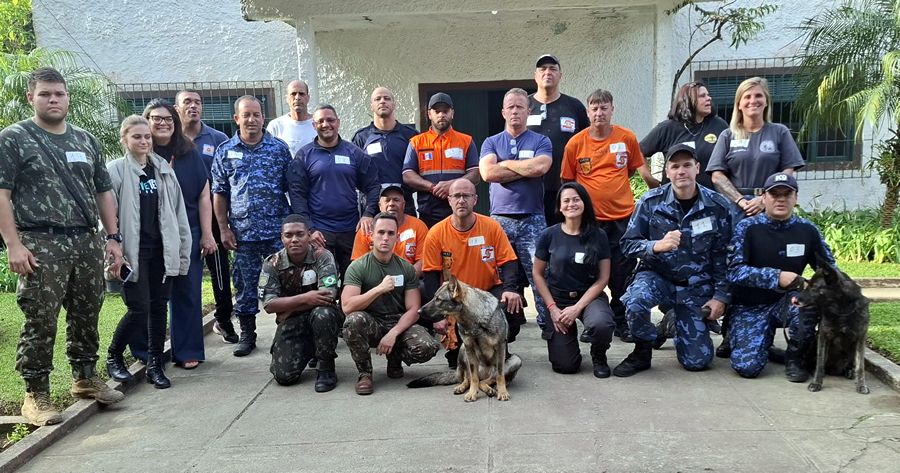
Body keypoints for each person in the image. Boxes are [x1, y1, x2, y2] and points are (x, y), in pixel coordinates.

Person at [0, 67, 125, 425]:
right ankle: (35, 394)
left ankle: (85, 377)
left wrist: (112, 238)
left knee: (88, 311)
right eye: (45, 94)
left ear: (67, 97)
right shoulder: (14, 138)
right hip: (40, 240)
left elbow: (103, 191)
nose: (53, 100)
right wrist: (13, 244)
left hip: (86, 239)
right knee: (40, 317)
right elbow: (2, 194)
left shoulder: (85, 140)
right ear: (31, 98)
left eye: (59, 94)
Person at [614, 144, 734, 377]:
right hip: (658, 276)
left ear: (697, 168)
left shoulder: (717, 206)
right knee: (636, 301)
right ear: (667, 172)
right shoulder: (650, 202)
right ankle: (642, 351)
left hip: (695, 284)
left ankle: (675, 320)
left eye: (687, 165)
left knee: (697, 361)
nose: (681, 171)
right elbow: (627, 245)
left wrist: (721, 296)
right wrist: (654, 246)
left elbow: (724, 256)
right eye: (675, 166)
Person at [707, 76, 805, 358]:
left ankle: (766, 330)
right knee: (736, 267)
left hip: (770, 207)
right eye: (747, 97)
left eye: (758, 96)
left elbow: (790, 170)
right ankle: (730, 333)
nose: (753, 102)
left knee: (768, 264)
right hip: (736, 210)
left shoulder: (779, 132)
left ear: (766, 101)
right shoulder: (728, 135)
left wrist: (764, 200)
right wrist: (740, 199)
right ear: (739, 103)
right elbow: (716, 174)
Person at [123, 99, 215, 370]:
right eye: (156, 118)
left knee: (187, 292)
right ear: (146, 121)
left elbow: (203, 194)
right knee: (148, 296)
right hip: (148, 237)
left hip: (186, 233)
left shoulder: (189, 153)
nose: (162, 123)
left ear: (175, 124)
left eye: (168, 119)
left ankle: (187, 349)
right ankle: (144, 351)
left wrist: (207, 234)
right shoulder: (137, 158)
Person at [106, 115, 192, 388]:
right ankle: (114, 356)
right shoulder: (116, 171)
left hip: (161, 250)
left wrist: (181, 248)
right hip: (133, 251)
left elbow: (178, 211)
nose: (143, 141)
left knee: (158, 308)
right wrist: (114, 249)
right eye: (136, 137)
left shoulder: (163, 169)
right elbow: (106, 214)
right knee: (139, 308)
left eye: (146, 137)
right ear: (124, 140)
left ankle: (155, 364)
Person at [561, 89, 650, 342]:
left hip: (623, 220)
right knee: (588, 272)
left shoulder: (627, 138)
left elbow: (634, 173)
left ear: (612, 109)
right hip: (590, 223)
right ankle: (593, 322)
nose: (599, 113)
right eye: (594, 108)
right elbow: (568, 183)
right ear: (587, 112)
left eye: (604, 108)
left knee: (621, 274)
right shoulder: (575, 143)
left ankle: (622, 322)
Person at [727, 172, 833, 383]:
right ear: (764, 197)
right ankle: (758, 343)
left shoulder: (807, 230)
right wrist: (776, 277)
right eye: (775, 194)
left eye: (787, 194)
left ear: (796, 198)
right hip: (750, 305)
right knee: (747, 368)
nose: (781, 199)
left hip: (788, 301)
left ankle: (796, 358)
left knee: (806, 306)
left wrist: (813, 290)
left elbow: (830, 271)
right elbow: (734, 271)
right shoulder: (747, 228)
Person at [212, 95, 293, 357]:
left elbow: (290, 188)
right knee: (245, 286)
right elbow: (220, 192)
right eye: (246, 114)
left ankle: (287, 332)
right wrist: (223, 228)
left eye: (256, 114)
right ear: (236, 118)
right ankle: (248, 334)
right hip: (242, 234)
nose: (252, 119)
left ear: (263, 118)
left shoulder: (278, 149)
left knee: (285, 283)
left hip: (276, 232)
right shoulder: (225, 151)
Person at [422, 179, 524, 368]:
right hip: (456, 298)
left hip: (487, 292)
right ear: (449, 200)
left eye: (466, 196)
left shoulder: (491, 226)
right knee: (457, 362)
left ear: (475, 200)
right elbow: (430, 275)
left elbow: (509, 260)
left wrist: (510, 289)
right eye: (456, 196)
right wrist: (438, 317)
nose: (461, 200)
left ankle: (498, 346)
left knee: (511, 309)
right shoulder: (436, 233)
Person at [479, 87, 553, 333]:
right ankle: (502, 326)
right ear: (503, 112)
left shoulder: (541, 141)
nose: (515, 111)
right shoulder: (491, 142)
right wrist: (523, 167)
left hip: (533, 218)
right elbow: (488, 173)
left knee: (539, 275)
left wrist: (506, 164)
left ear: (528, 111)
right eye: (510, 107)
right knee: (497, 275)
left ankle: (548, 325)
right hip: (499, 220)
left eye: (520, 107)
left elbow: (541, 168)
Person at [341, 212, 440, 395]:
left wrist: (393, 333)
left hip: (397, 321)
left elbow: (413, 310)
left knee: (428, 347)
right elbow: (347, 306)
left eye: (390, 233)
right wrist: (378, 289)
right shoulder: (358, 267)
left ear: (397, 236)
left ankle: (394, 358)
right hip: (372, 321)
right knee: (353, 321)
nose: (385, 238)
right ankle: (365, 374)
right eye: (380, 232)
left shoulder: (406, 268)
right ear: (371, 235)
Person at [288, 104, 380, 281]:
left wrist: (368, 214)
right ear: (314, 126)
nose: (325, 124)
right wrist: (309, 229)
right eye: (320, 121)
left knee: (353, 280)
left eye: (330, 120)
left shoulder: (354, 153)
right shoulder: (304, 155)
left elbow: (373, 185)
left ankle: (349, 309)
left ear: (338, 123)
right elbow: (297, 195)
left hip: (351, 230)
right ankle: (324, 310)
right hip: (320, 233)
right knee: (322, 282)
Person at [532, 182, 615, 377]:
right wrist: (552, 308)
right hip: (558, 300)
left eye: (576, 199)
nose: (571, 204)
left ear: (584, 202)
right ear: (560, 207)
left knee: (601, 323)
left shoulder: (598, 235)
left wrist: (577, 307)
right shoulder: (548, 235)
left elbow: (603, 277)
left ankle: (599, 354)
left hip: (589, 297)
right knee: (566, 366)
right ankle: (567, 348)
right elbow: (537, 273)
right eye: (566, 201)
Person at [176, 89, 238, 344]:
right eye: (187, 102)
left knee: (219, 269)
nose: (193, 107)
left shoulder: (217, 137)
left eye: (198, 102)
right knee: (182, 271)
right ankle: (185, 329)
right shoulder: (170, 137)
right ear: (177, 108)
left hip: (211, 214)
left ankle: (223, 319)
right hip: (178, 215)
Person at [258, 215, 343, 391]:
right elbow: (269, 305)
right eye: (289, 235)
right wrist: (306, 298)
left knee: (323, 314)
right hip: (292, 321)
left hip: (319, 316)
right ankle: (310, 349)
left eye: (300, 234)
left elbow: (328, 295)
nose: (294, 239)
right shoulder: (272, 263)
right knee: (284, 376)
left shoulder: (322, 256)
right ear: (282, 238)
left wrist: (288, 309)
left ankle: (326, 368)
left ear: (308, 235)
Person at [526, 54, 589, 227]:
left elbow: (588, 143)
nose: (547, 72)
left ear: (560, 75)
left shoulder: (574, 106)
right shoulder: (523, 106)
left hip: (566, 189)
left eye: (553, 69)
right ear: (535, 75)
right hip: (530, 189)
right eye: (542, 69)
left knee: (565, 238)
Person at [402, 93, 480, 227]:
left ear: (452, 113)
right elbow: (407, 175)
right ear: (429, 114)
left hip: (460, 209)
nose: (441, 115)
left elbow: (476, 175)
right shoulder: (416, 142)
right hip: (428, 211)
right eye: (437, 111)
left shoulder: (466, 141)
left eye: (445, 111)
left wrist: (452, 186)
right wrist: (432, 187)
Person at [640, 81, 729, 189]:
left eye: (708, 95)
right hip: (674, 200)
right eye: (702, 96)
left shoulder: (719, 125)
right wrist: (650, 180)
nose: (709, 98)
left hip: (710, 199)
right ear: (688, 101)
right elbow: (638, 151)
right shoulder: (667, 128)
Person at [352, 87, 418, 215]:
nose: (382, 101)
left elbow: (420, 170)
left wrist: (402, 191)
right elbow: (354, 174)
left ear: (394, 104)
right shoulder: (361, 137)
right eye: (378, 99)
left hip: (403, 204)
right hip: (371, 207)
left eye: (387, 98)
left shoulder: (411, 135)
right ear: (372, 106)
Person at [350, 185, 428, 277]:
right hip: (373, 280)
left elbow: (423, 261)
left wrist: (403, 279)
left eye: (396, 200)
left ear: (404, 204)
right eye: (387, 200)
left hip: (409, 278)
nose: (391, 204)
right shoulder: (367, 228)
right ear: (380, 206)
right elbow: (357, 263)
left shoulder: (418, 226)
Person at [266, 80, 317, 157]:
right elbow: (268, 154)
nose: (297, 97)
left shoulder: (318, 123)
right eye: (293, 94)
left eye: (301, 94)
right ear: (287, 98)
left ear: (308, 98)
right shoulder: (276, 126)